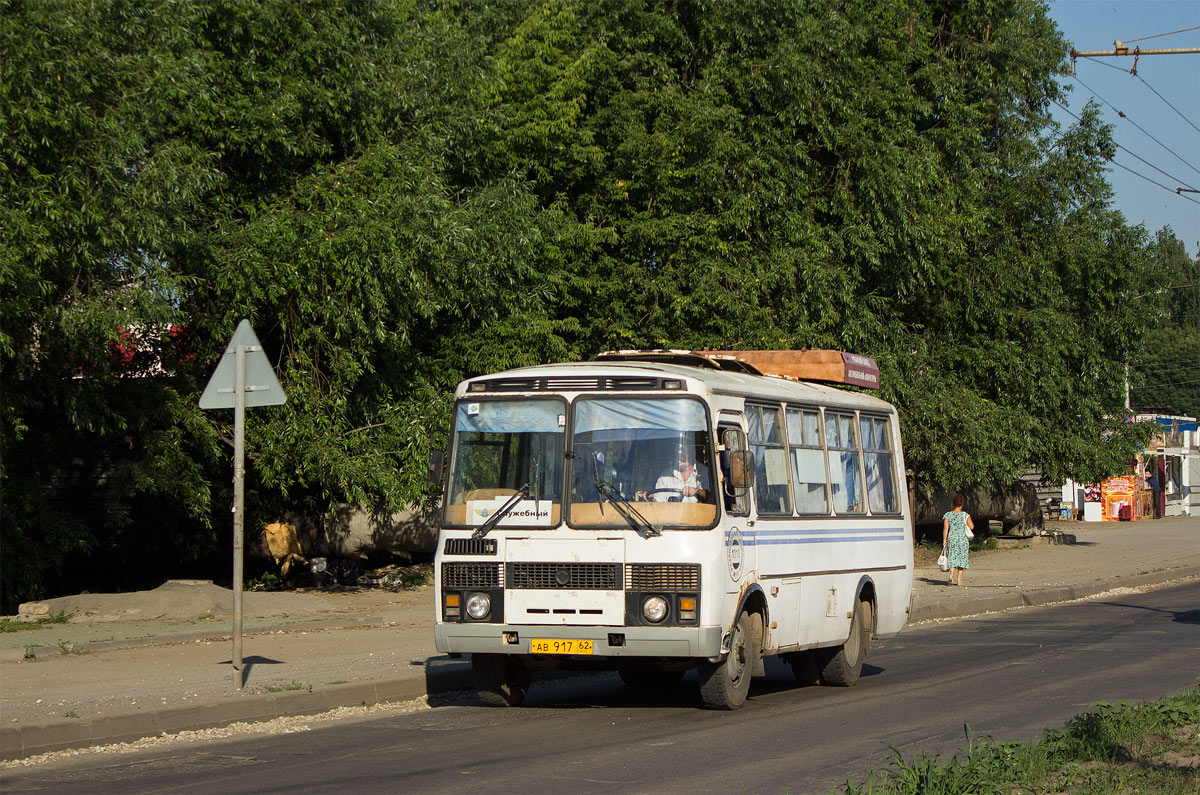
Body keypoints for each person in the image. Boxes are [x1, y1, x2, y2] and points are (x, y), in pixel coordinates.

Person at [942, 492, 974, 587]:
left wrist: (944, 540)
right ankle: (959, 580)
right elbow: (971, 527)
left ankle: (951, 575)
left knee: (952, 557)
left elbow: (945, 529)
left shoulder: (948, 515)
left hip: (952, 538)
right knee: (962, 559)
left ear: (953, 503)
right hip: (962, 539)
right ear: (962, 503)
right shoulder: (965, 515)